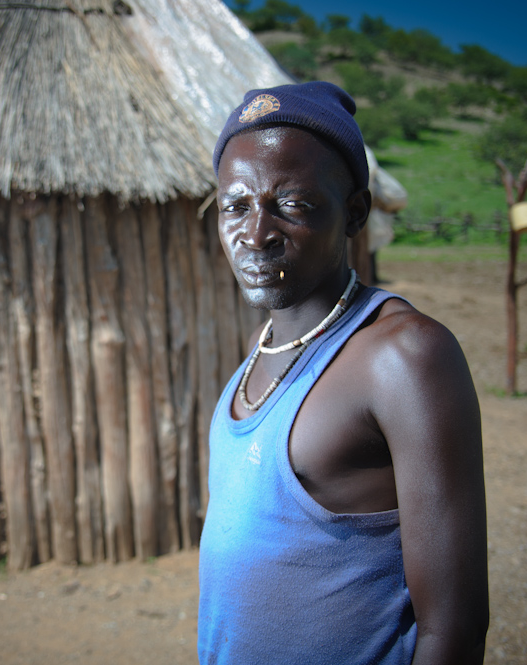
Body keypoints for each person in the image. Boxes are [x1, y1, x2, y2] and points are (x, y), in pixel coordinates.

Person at [197, 82, 489, 665]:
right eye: (235, 205)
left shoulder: (403, 358)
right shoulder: (262, 356)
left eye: (293, 204)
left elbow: (452, 627)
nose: (254, 233)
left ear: (356, 212)